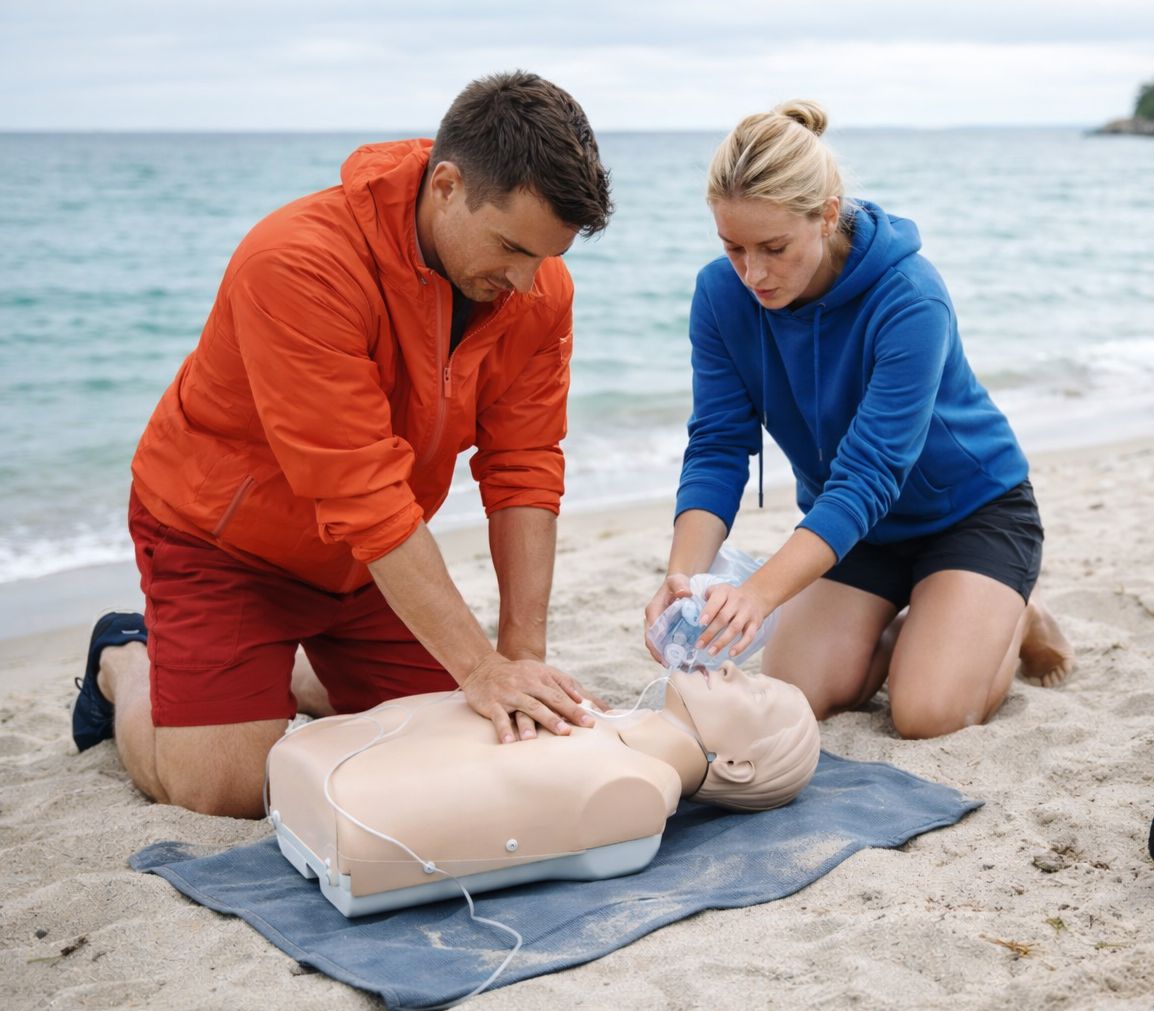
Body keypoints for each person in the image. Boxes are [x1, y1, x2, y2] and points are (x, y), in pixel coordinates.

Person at [71, 71, 614, 819]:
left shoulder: (536, 288)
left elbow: (522, 467)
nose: (528, 282)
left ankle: (282, 675)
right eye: (512, 248)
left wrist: (519, 655)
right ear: (447, 185)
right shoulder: (298, 263)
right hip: (224, 544)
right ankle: (127, 659)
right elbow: (362, 491)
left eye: (547, 258)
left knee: (466, 741)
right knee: (226, 791)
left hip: (369, 564)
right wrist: (478, 667)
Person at [643, 101, 1074, 740]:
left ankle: (1014, 612)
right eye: (732, 246)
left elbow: (870, 475)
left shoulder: (910, 297)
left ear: (826, 213)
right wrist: (684, 577)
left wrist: (761, 593)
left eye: (774, 247)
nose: (752, 272)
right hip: (852, 534)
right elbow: (718, 445)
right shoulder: (720, 294)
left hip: (970, 515)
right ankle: (919, 623)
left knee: (926, 714)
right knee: (798, 694)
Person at [268, 663, 820, 916]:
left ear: (737, 765)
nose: (730, 667)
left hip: (345, 809)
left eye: (755, 691)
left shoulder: (636, 788)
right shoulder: (601, 723)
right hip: (328, 770)